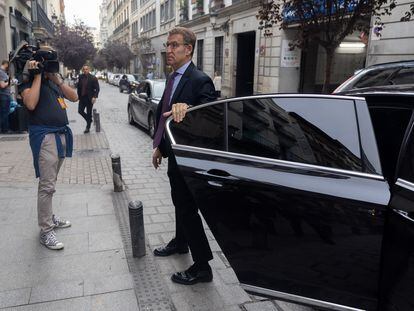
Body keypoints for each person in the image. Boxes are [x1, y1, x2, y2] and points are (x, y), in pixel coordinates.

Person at [152, 27, 217, 285]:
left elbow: (211, 121)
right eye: (168, 45)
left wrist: (188, 109)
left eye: (173, 45)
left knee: (189, 210)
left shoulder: (200, 80)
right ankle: (181, 243)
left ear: (188, 48)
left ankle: (203, 267)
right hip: (175, 157)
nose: (168, 50)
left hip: (191, 161)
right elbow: (165, 116)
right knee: (179, 203)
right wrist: (159, 147)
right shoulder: (172, 78)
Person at [19, 47, 79, 250]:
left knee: (50, 182)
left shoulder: (54, 82)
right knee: (47, 185)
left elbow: (74, 97)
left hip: (61, 134)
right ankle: (45, 231)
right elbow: (30, 104)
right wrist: (36, 77)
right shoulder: (26, 80)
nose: (50, 68)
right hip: (44, 136)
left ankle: (49, 217)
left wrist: (57, 80)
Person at [77, 65, 99, 133]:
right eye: (84, 69)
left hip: (89, 98)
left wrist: (94, 97)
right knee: (80, 111)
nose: (85, 70)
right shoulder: (80, 77)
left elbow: (97, 89)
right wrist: (78, 96)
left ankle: (88, 127)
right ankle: (89, 120)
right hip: (82, 98)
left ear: (89, 70)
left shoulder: (93, 78)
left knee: (89, 113)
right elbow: (79, 87)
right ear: (83, 70)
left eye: (86, 69)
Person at [0, 60, 11, 133]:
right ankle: (5, 130)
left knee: (4, 112)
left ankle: (4, 129)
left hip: (5, 95)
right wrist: (10, 81)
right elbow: (2, 85)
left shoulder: (3, 72)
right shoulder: (1, 72)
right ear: (6, 64)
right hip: (4, 95)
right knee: (4, 113)